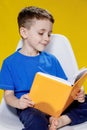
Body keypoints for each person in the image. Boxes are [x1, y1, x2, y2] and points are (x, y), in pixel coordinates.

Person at [0, 6, 87, 130]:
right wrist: (18, 103)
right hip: (31, 107)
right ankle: (51, 122)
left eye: (49, 34)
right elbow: (8, 95)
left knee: (86, 101)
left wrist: (77, 94)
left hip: (55, 105)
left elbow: (66, 86)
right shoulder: (10, 63)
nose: (47, 38)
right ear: (24, 32)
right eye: (41, 33)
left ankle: (61, 121)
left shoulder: (51, 60)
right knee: (36, 121)